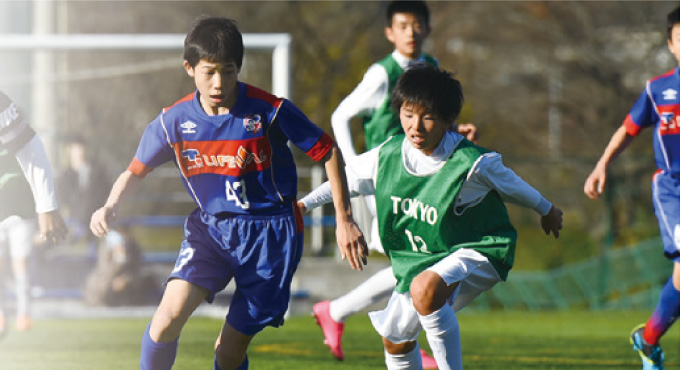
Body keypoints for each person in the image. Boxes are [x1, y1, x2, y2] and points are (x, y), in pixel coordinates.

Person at [89, 16, 367, 370]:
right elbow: (134, 171)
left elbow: (326, 151)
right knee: (165, 322)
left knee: (228, 352)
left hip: (271, 237)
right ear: (189, 68)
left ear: (239, 68)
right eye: (209, 72)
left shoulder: (270, 110)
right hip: (211, 230)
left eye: (228, 71)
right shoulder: (172, 122)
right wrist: (110, 205)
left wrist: (344, 220)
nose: (219, 82)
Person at [300, 63, 563, 370]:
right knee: (395, 339)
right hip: (421, 261)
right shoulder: (389, 154)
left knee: (424, 289)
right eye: (408, 114)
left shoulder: (471, 162)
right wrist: (302, 205)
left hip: (480, 249)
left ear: (448, 120)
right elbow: (344, 179)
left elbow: (514, 186)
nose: (415, 125)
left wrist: (547, 210)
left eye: (427, 117)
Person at [315, 1, 476, 367]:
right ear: (390, 32)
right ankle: (392, 331)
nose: (410, 32)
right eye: (402, 25)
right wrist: (355, 166)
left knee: (418, 261)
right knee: (420, 260)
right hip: (387, 179)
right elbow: (340, 115)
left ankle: (343, 314)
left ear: (427, 29)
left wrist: (454, 132)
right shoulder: (382, 73)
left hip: (421, 180)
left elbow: (434, 123)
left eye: (417, 24)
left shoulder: (431, 68)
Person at [584, 7, 680, 370]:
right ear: (671, 45)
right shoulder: (659, 90)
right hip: (672, 189)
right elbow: (628, 129)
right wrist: (602, 164)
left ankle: (649, 338)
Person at [0, 90, 67, 335]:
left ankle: (23, 313)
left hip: (17, 205)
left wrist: (46, 206)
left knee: (20, 262)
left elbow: (29, 146)